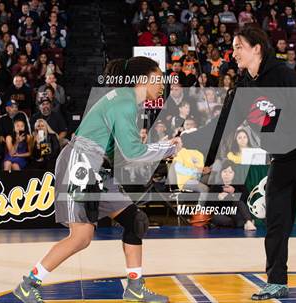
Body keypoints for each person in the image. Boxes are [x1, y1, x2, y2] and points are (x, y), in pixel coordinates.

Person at [180, 24, 296, 300]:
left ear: (257, 49)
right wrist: (191, 143)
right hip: (282, 160)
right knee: (276, 223)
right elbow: (223, 126)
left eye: (239, 46)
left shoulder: (284, 76)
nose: (234, 52)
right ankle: (276, 280)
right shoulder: (243, 86)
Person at [13, 57, 177, 303]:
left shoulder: (124, 99)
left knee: (136, 221)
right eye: (158, 78)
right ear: (143, 79)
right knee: (81, 237)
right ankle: (28, 284)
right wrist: (167, 148)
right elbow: (131, 152)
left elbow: (116, 150)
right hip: (79, 165)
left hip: (95, 167)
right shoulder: (125, 102)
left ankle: (134, 287)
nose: (162, 83)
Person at [207, 160, 256, 230]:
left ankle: (248, 222)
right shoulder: (216, 186)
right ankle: (245, 222)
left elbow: (245, 198)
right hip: (223, 214)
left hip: (236, 213)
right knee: (216, 218)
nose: (227, 175)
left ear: (234, 174)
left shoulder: (238, 185)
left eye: (230, 172)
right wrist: (218, 198)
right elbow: (208, 205)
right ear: (221, 173)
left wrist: (234, 193)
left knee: (237, 199)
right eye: (224, 171)